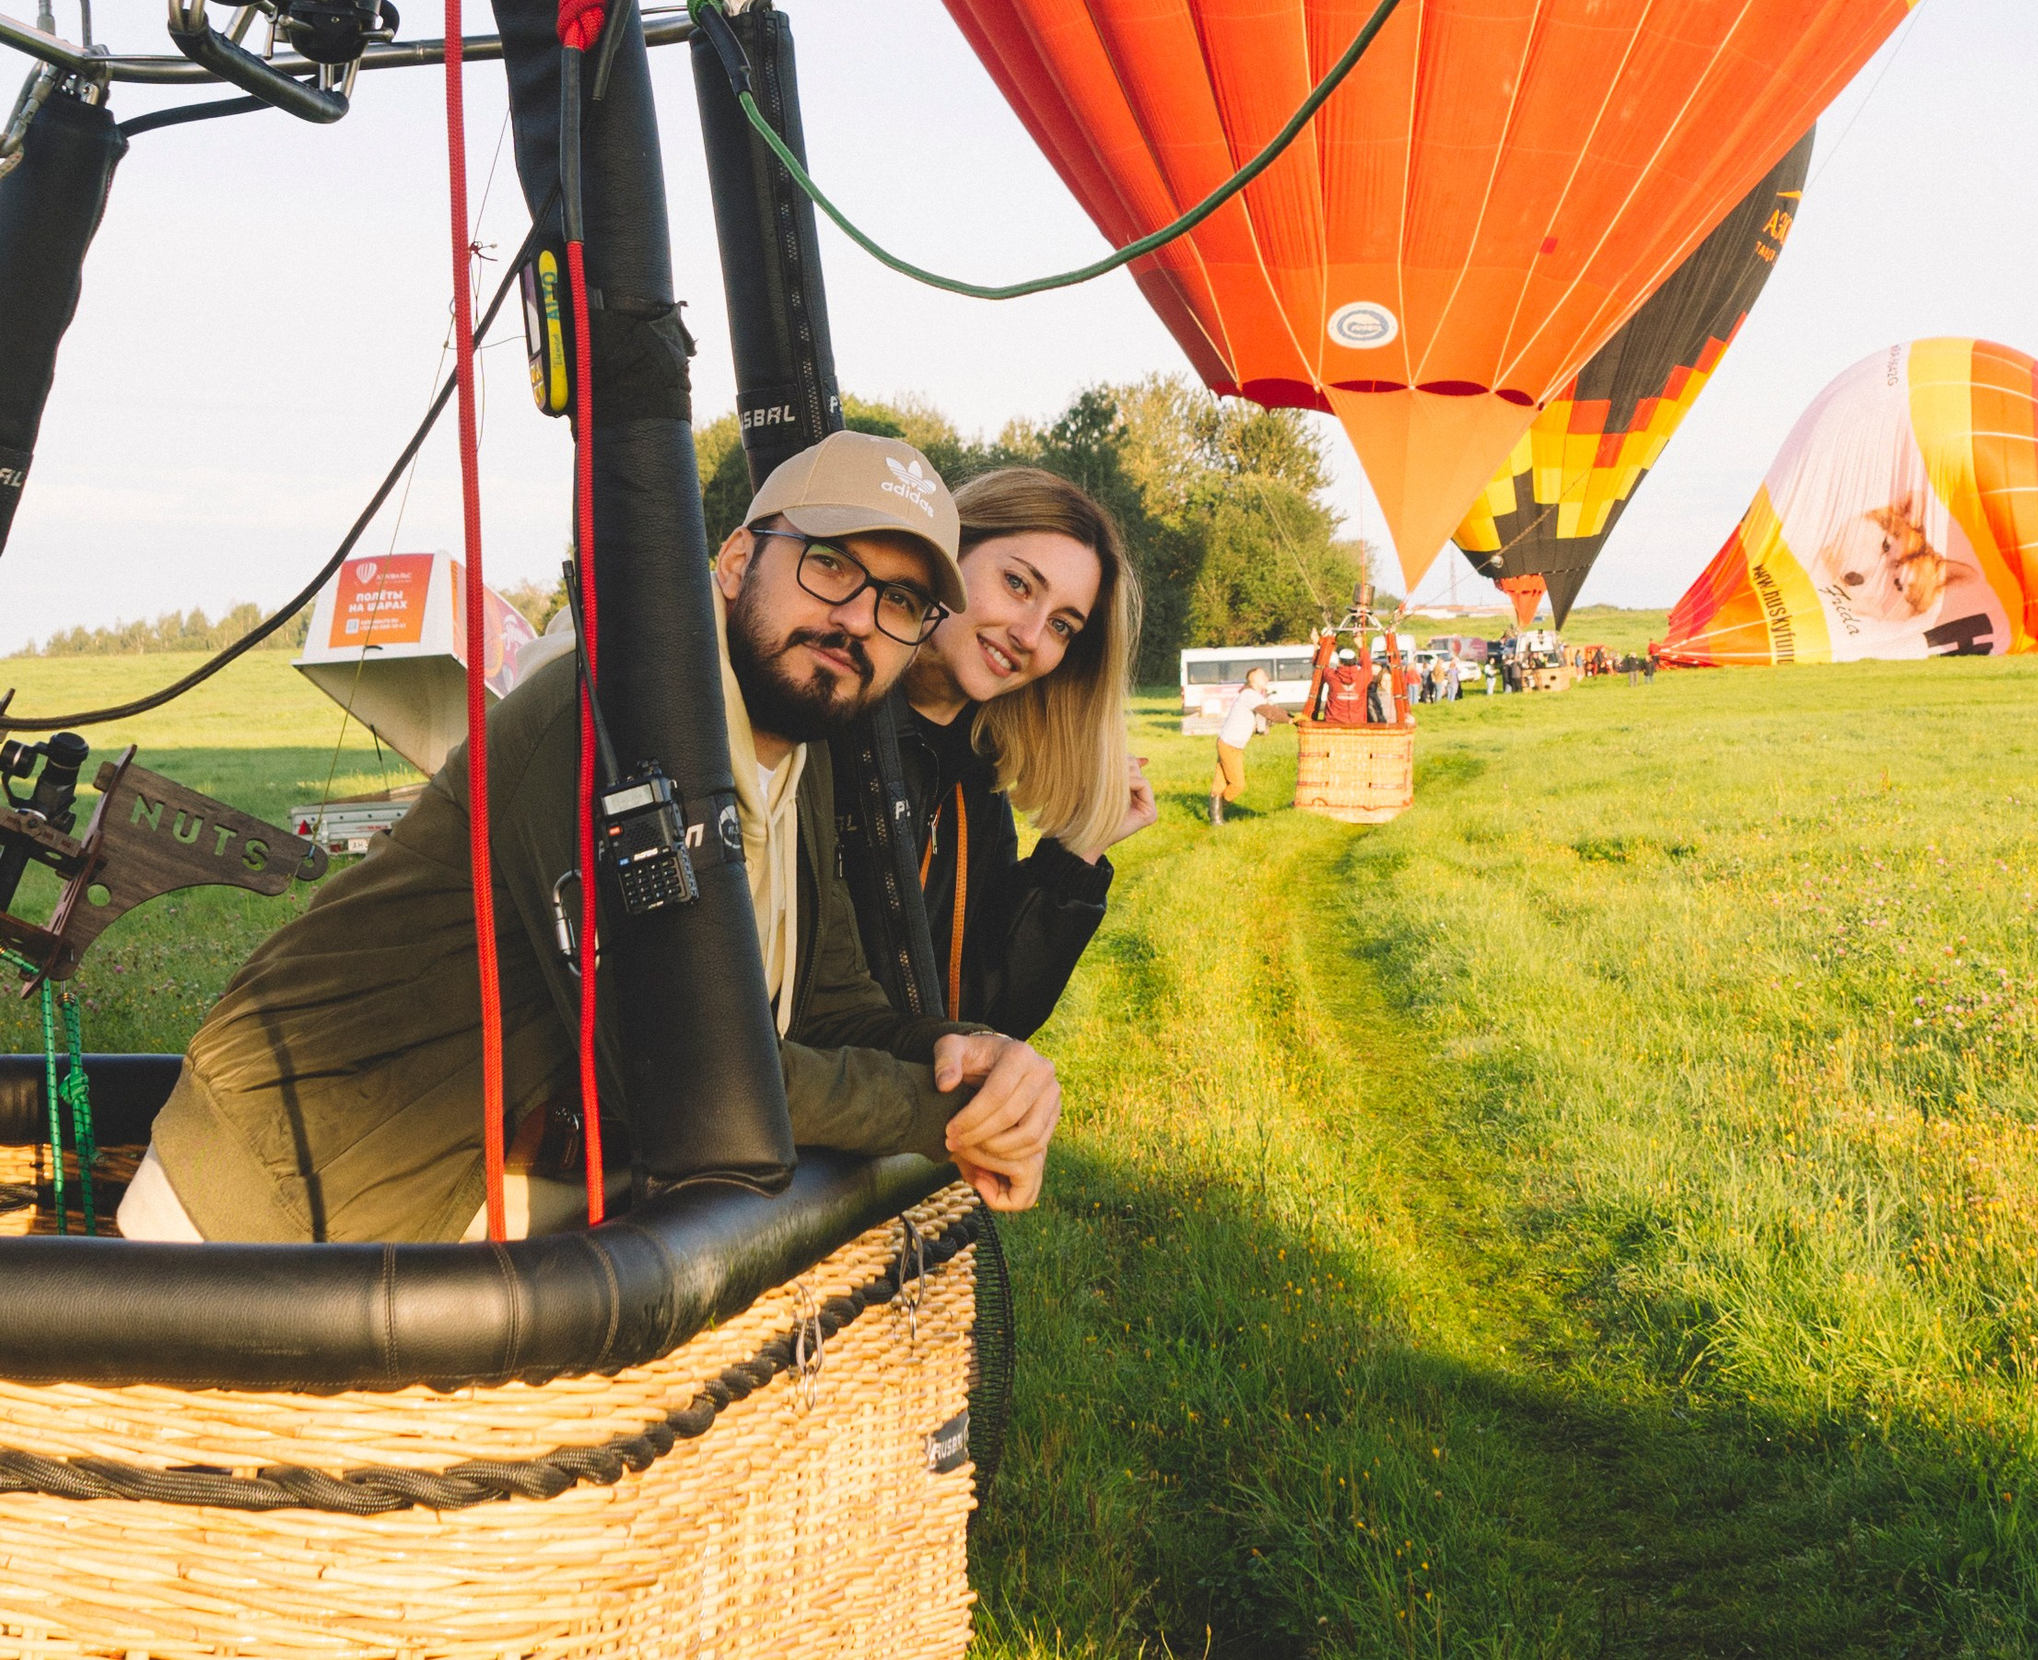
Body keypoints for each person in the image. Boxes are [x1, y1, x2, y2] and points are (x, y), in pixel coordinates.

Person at [117, 433, 1061, 1243]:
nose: (856, 616)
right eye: (830, 564)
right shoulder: (605, 722)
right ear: (735, 561)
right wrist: (939, 1114)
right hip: (285, 1200)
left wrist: (978, 1059)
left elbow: (832, 1005)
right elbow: (685, 1063)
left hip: (478, 1214)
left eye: (899, 603)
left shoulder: (796, 758)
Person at [881, 465, 1154, 1025]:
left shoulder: (977, 783)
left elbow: (988, 1012)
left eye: (1062, 626)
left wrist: (1078, 850)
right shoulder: (829, 717)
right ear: (948, 550)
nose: (1029, 636)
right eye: (1018, 584)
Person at [1211, 662, 1274, 825]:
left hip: (1231, 744)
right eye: (1263, 676)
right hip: (1230, 745)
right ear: (1253, 679)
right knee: (1237, 785)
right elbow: (1268, 711)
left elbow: (1260, 718)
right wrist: (1290, 719)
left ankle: (1215, 818)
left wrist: (1262, 728)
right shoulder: (1249, 695)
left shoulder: (1252, 695)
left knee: (1221, 782)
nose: (1267, 678)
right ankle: (1217, 811)